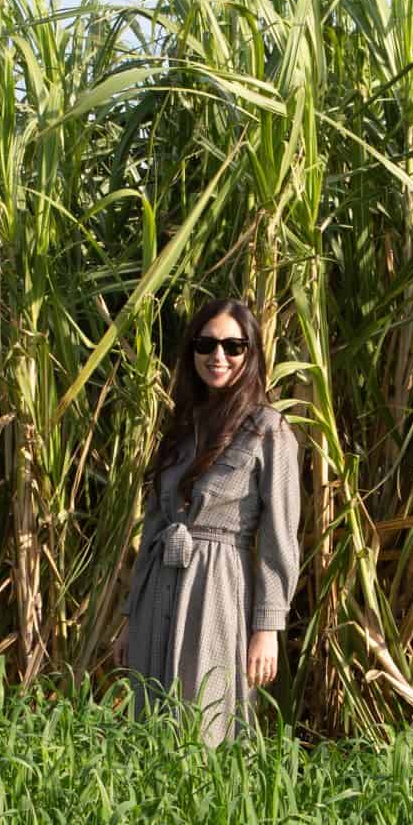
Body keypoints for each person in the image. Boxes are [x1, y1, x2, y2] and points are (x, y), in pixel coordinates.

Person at [122, 297, 303, 746]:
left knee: (208, 716)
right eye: (205, 345)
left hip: (219, 585)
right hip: (159, 584)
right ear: (192, 353)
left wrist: (267, 629)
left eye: (232, 346)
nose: (217, 356)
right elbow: (152, 527)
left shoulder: (268, 430)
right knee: (148, 719)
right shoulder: (181, 428)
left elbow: (281, 536)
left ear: (251, 352)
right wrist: (130, 617)